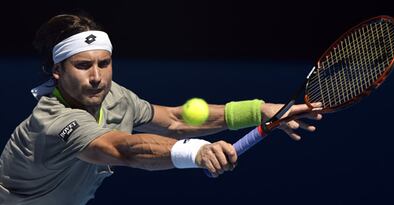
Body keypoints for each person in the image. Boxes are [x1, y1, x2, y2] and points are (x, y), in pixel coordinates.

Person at [0, 13, 323, 205]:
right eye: (83, 66)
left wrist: (259, 111)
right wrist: (193, 152)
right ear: (57, 71)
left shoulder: (115, 96)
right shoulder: (53, 120)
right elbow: (121, 149)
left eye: (104, 63)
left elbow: (174, 120)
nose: (97, 77)